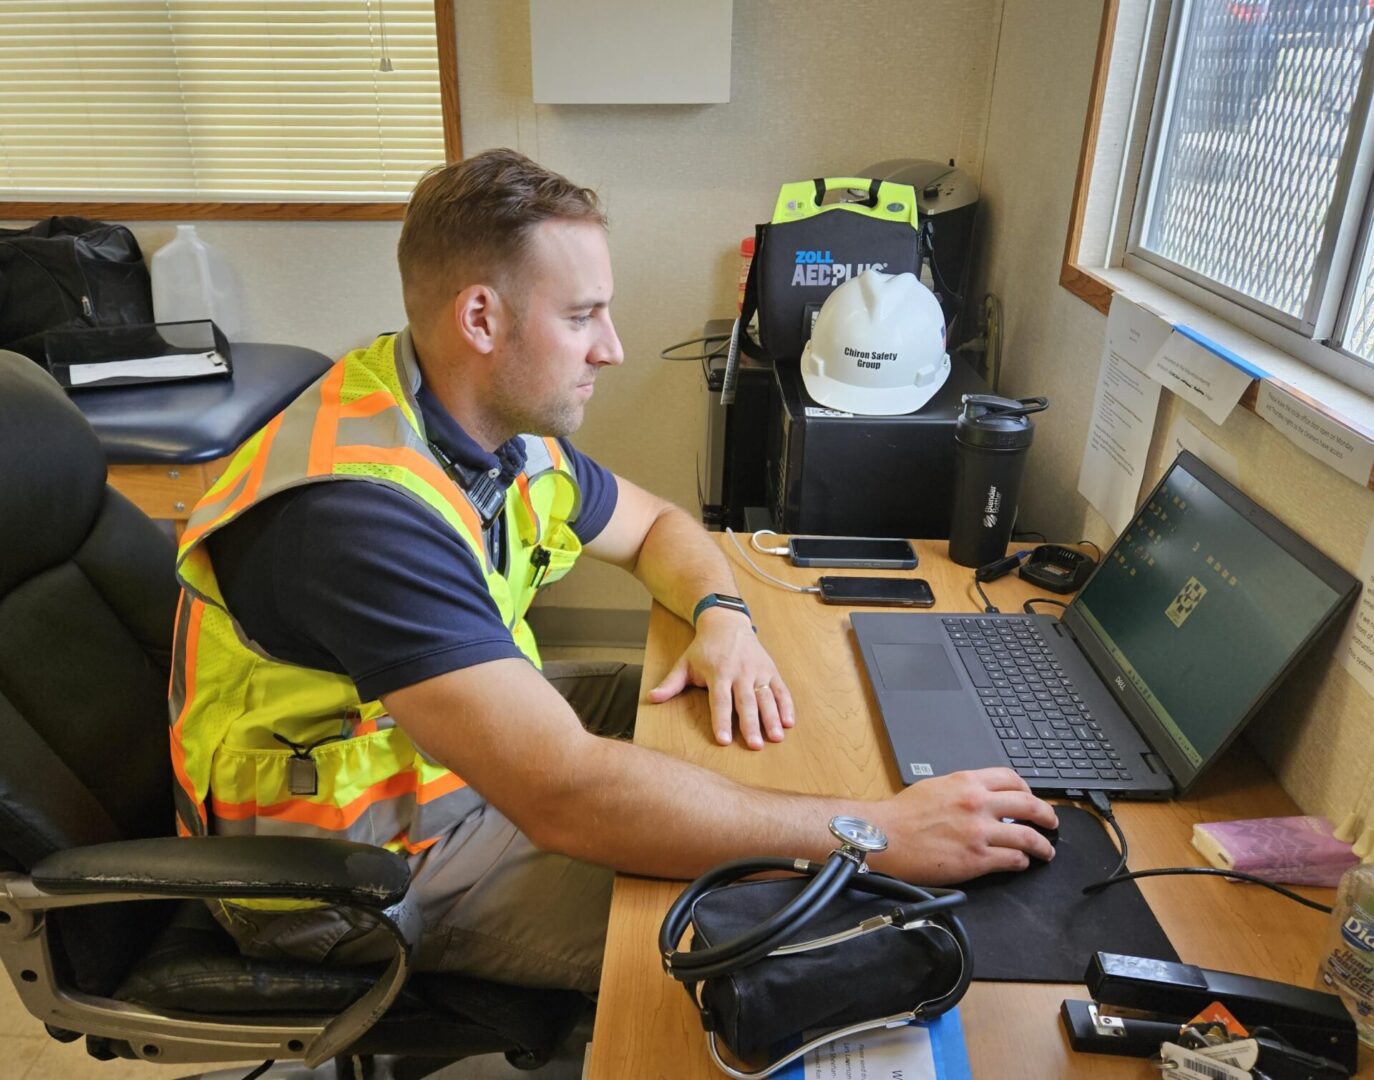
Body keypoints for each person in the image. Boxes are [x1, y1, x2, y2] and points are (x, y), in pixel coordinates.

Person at [168, 148, 1057, 994]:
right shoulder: (358, 514)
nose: (613, 348)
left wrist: (722, 620)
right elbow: (564, 791)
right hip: (340, 871)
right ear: (481, 319)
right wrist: (875, 836)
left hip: (435, 759)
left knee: (734, 748)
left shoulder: (477, 425)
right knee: (757, 932)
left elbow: (659, 527)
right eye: (582, 315)